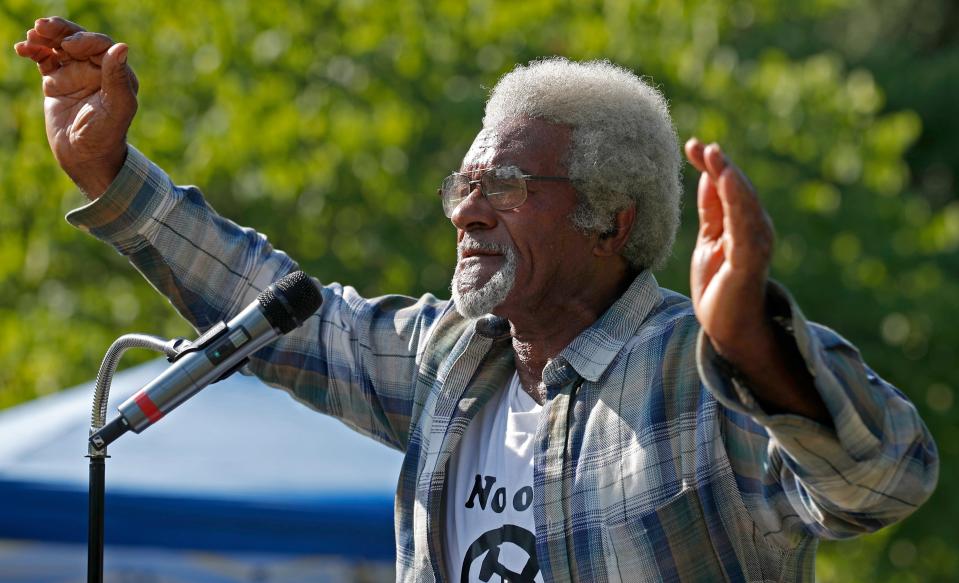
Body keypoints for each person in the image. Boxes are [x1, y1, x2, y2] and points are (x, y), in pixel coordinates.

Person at [16, 16, 938, 583]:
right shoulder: (449, 360)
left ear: (608, 221)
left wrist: (751, 345)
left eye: (502, 183)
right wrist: (113, 175)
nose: (464, 209)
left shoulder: (696, 374)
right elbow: (277, 306)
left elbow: (883, 479)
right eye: (462, 181)